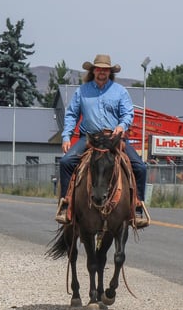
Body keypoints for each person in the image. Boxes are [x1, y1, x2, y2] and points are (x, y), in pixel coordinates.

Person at [55, 54, 149, 228]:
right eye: (98, 69)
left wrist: (121, 126)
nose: (101, 72)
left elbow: (127, 113)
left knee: (140, 167)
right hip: (89, 137)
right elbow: (71, 115)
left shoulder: (120, 91)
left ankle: (137, 206)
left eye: (105, 70)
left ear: (110, 72)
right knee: (66, 162)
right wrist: (66, 136)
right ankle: (66, 203)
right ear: (93, 71)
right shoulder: (82, 91)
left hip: (113, 138)